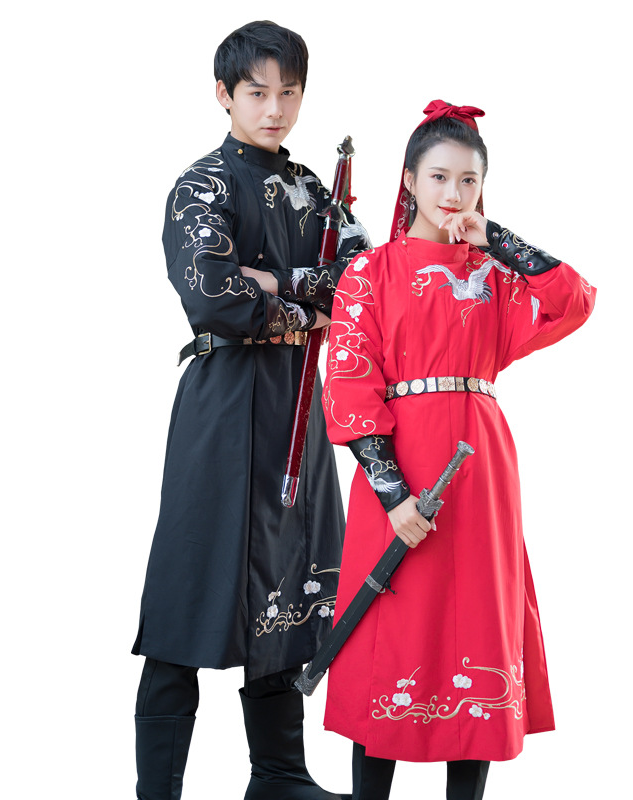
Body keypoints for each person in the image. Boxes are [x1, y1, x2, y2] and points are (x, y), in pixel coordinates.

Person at [320, 101, 596, 799]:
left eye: (468, 181)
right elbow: (349, 384)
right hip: (398, 469)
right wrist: (393, 494)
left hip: (480, 471)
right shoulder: (369, 273)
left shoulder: (495, 277)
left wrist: (494, 238)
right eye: (439, 177)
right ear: (409, 180)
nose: (453, 193)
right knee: (389, 624)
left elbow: (573, 300)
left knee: (477, 621)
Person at [131, 20, 369, 800]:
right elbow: (213, 294)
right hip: (222, 408)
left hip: (298, 407)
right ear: (224, 94)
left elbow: (362, 287)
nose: (275, 109)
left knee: (289, 583)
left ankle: (278, 775)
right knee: (188, 587)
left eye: (289, 92)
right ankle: (158, 789)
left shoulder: (316, 191)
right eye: (258, 92)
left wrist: (273, 283)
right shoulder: (201, 185)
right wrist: (305, 296)